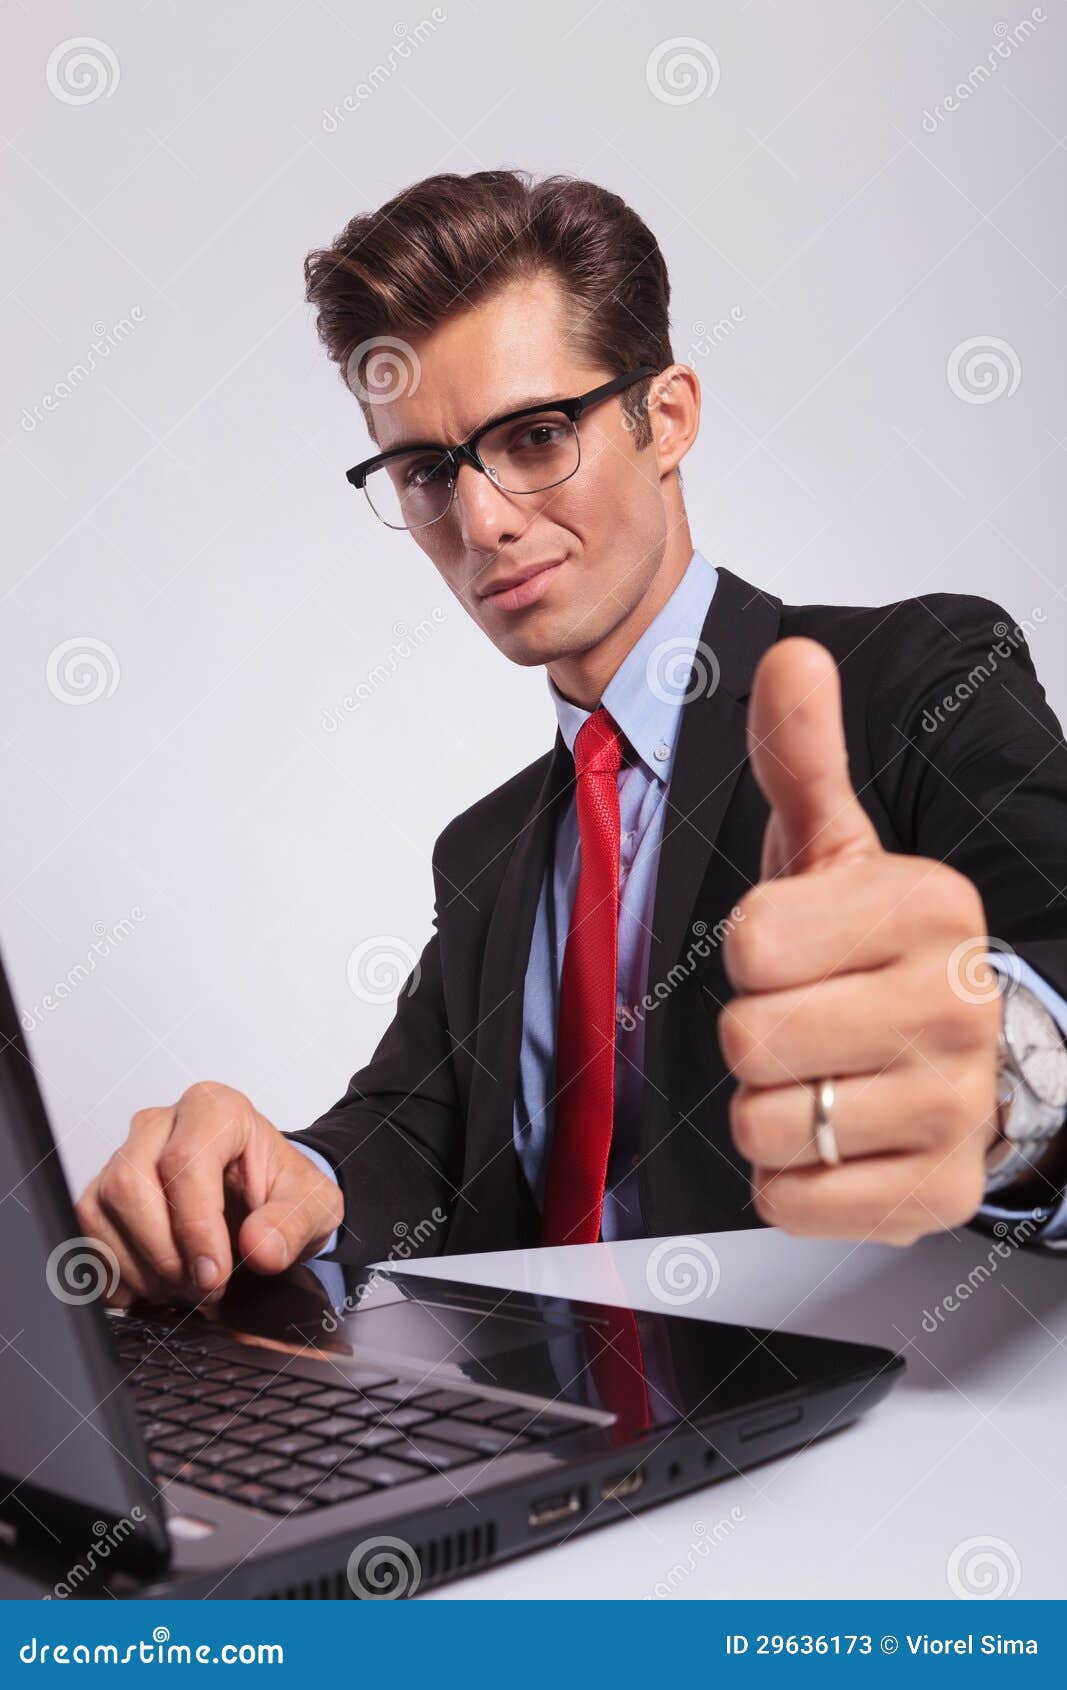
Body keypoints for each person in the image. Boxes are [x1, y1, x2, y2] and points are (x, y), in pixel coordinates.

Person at [76, 169, 1067, 1309]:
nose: (482, 519)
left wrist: (1010, 1087)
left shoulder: (908, 681)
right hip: (539, 1458)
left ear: (668, 419)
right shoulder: (488, 854)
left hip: (845, 1439)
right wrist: (284, 1179)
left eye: (536, 435)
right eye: (424, 471)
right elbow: (419, 1129)